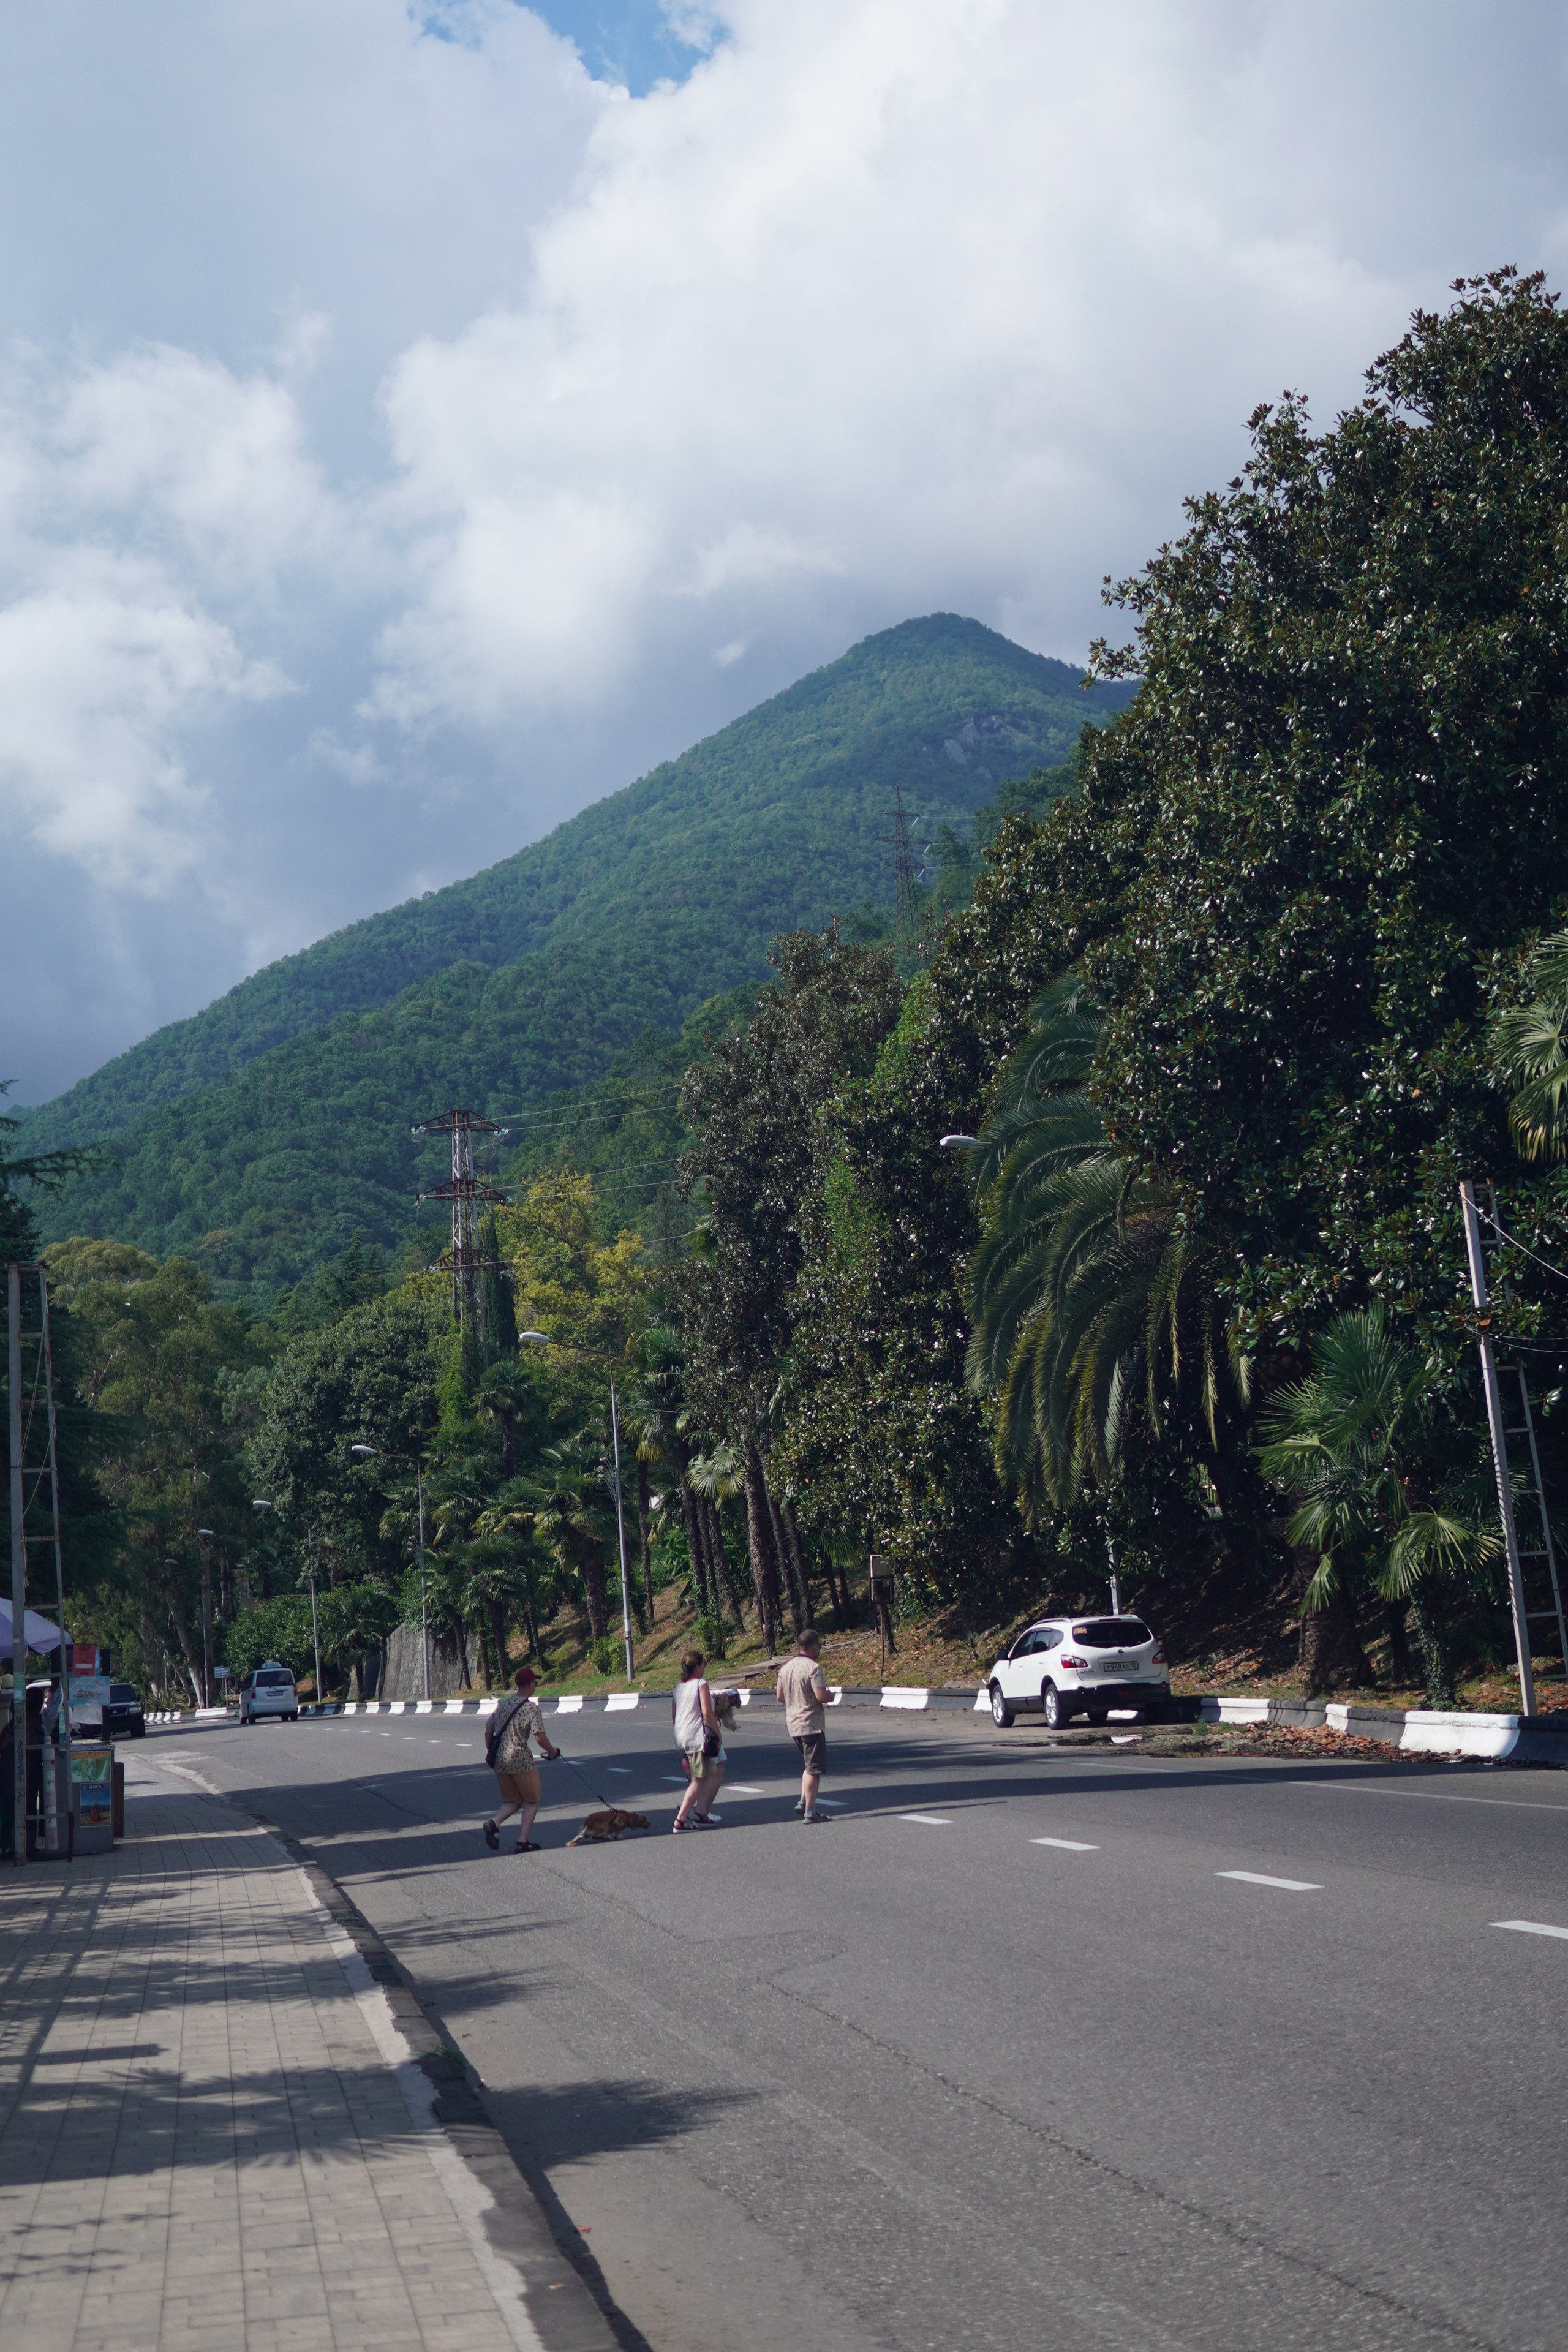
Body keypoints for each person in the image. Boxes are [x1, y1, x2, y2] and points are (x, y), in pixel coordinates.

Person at [482, 1664, 560, 1853]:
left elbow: (488, 1730)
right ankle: (522, 1841)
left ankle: (494, 1823)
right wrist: (553, 1752)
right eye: (535, 1682)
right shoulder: (532, 1708)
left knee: (513, 1801)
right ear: (531, 1684)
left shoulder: (503, 1704)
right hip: (521, 1760)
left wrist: (492, 1751)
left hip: (500, 1760)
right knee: (531, 1800)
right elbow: (539, 1737)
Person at [775, 1628, 831, 1822]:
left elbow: (780, 1696)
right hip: (812, 1724)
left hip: (794, 1724)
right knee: (814, 1770)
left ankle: (802, 1801)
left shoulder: (785, 1668)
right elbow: (821, 1696)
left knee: (808, 1765)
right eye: (819, 1646)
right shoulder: (813, 1668)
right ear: (814, 1645)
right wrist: (831, 1696)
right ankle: (810, 1810)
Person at [671, 1648, 725, 1832]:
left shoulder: (678, 1688)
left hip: (681, 1737)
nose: (704, 1668)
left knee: (705, 1774)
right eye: (703, 1664)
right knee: (698, 1780)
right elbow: (707, 1713)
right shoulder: (701, 1684)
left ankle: (698, 1813)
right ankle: (681, 1819)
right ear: (698, 1667)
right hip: (695, 1737)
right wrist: (717, 1734)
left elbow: (674, 1715)